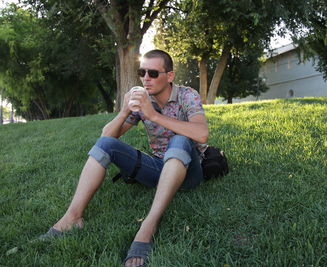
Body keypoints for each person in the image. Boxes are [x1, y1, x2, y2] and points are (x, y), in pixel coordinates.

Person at [40, 49, 209, 267]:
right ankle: (72, 218)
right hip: (160, 169)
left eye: (153, 73)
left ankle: (148, 225)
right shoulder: (143, 101)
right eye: (142, 72)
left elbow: (201, 133)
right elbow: (105, 139)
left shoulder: (187, 95)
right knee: (106, 145)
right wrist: (123, 112)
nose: (146, 78)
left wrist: (153, 115)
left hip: (189, 172)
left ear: (170, 76)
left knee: (180, 140)